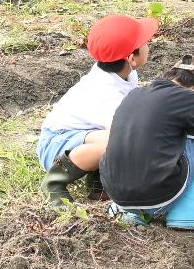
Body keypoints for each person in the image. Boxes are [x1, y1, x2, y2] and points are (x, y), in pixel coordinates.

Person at [99, 55, 194, 231]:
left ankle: (131, 213)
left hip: (117, 194)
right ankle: (191, 210)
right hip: (158, 195)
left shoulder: (134, 94)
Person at [37, 13, 156, 203]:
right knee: (122, 141)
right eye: (144, 42)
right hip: (56, 143)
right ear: (131, 58)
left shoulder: (124, 73)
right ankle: (54, 181)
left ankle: (98, 182)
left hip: (82, 132)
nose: (148, 44)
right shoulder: (106, 93)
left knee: (121, 135)